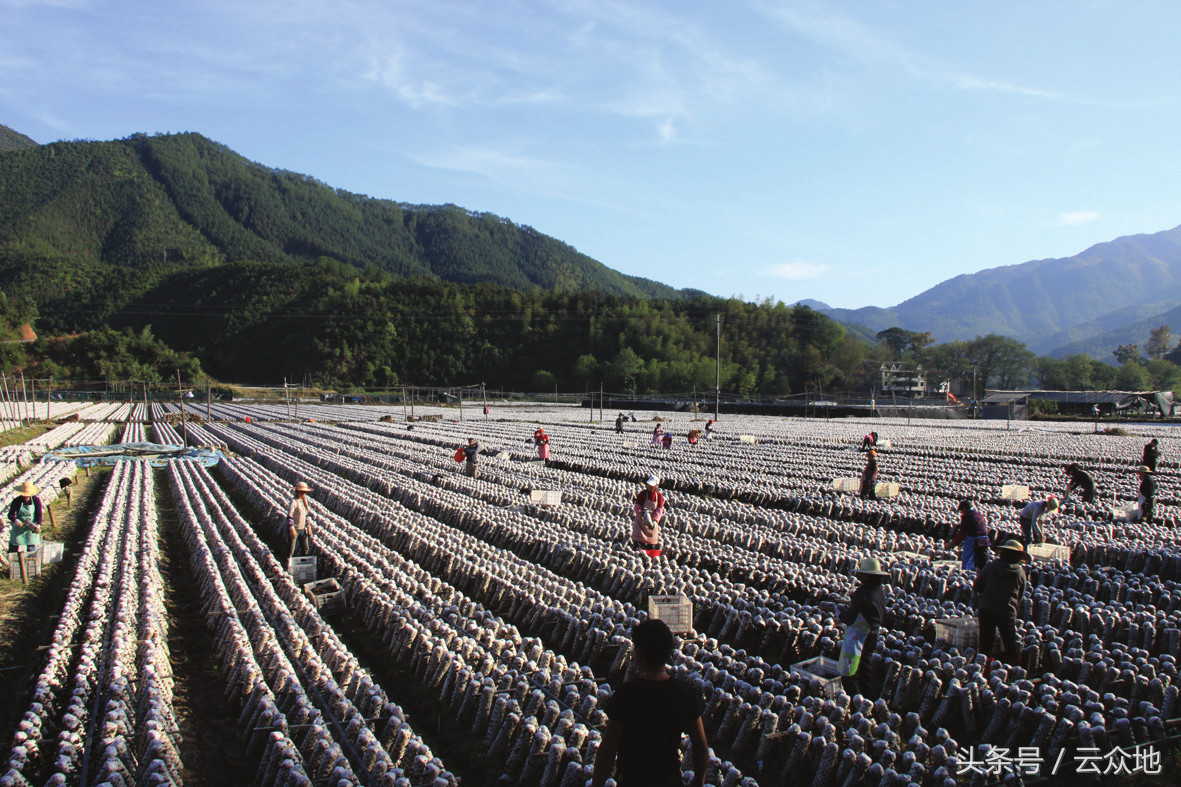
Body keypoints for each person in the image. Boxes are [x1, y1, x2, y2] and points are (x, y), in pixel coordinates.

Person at [591, 618, 708, 787]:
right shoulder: (684, 692)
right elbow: (701, 747)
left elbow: (608, 751)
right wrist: (698, 781)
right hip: (670, 780)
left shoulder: (627, 694)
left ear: (639, 653)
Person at [973, 539, 1029, 671]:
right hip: (1007, 611)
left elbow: (978, 586)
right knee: (1010, 643)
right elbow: (1020, 595)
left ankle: (985, 671)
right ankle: (1015, 672)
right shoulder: (1020, 573)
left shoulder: (991, 567)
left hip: (986, 608)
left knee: (986, 643)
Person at [839, 557, 888, 697]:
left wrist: (840, 613)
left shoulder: (862, 593)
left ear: (868, 575)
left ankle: (857, 705)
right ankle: (869, 700)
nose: (859, 576)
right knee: (865, 669)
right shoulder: (879, 591)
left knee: (850, 674)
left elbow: (849, 619)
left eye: (861, 573)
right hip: (873, 634)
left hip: (859, 637)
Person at [948, 498, 990, 570]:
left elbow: (962, 532)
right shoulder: (979, 514)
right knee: (981, 560)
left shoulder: (967, 516)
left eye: (961, 511)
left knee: (968, 559)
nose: (962, 513)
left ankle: (967, 573)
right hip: (984, 540)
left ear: (964, 508)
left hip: (974, 540)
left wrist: (954, 543)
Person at [7, 480, 43, 556]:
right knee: (13, 546)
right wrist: (15, 520)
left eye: (27, 496)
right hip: (19, 526)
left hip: (31, 526)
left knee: (30, 548)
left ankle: (31, 563)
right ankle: (14, 563)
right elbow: (10, 514)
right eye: (24, 496)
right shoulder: (16, 501)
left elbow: (39, 514)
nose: (26, 497)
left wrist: (38, 524)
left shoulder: (36, 500)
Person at [632, 475, 665, 551]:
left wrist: (655, 521)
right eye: (649, 485)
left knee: (651, 544)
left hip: (652, 522)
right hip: (641, 521)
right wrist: (642, 515)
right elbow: (637, 507)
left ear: (656, 486)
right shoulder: (642, 494)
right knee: (638, 542)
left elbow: (659, 510)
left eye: (652, 485)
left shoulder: (659, 496)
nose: (650, 487)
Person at [286, 481, 314, 569]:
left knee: (305, 549)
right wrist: (291, 528)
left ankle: (303, 567)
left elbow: (306, 515)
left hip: (302, 529)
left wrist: (308, 526)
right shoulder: (293, 502)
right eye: (304, 492)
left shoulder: (303, 502)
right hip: (295, 529)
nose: (305, 494)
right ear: (298, 491)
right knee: (291, 550)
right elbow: (289, 516)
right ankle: (287, 567)